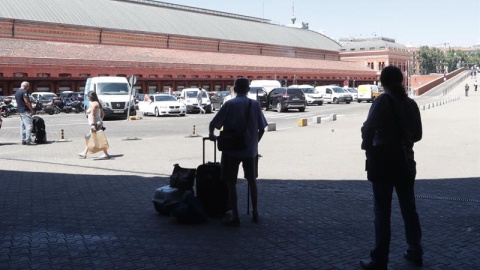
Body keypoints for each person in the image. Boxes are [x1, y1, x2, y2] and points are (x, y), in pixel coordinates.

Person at [360, 66, 423, 270]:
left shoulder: (383, 101)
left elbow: (368, 128)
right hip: (405, 162)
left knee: (382, 212)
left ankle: (380, 259)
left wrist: (368, 146)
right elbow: (418, 135)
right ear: (402, 80)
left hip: (384, 163)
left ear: (383, 82)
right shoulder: (411, 103)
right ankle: (415, 250)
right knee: (409, 209)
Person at [209, 78, 268, 227]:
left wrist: (211, 135)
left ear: (234, 89)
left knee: (231, 183)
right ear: (248, 90)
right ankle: (255, 212)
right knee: (252, 181)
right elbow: (262, 128)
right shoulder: (254, 104)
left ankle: (235, 216)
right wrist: (254, 143)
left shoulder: (229, 104)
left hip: (231, 151)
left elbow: (214, 124)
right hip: (250, 151)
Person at [78, 91, 109, 159]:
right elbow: (102, 114)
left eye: (88, 96)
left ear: (91, 97)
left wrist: (93, 124)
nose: (88, 98)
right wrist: (100, 121)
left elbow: (92, 115)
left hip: (95, 124)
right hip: (97, 123)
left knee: (97, 138)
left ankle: (105, 154)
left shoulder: (94, 104)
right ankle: (84, 153)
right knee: (93, 138)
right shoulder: (97, 103)